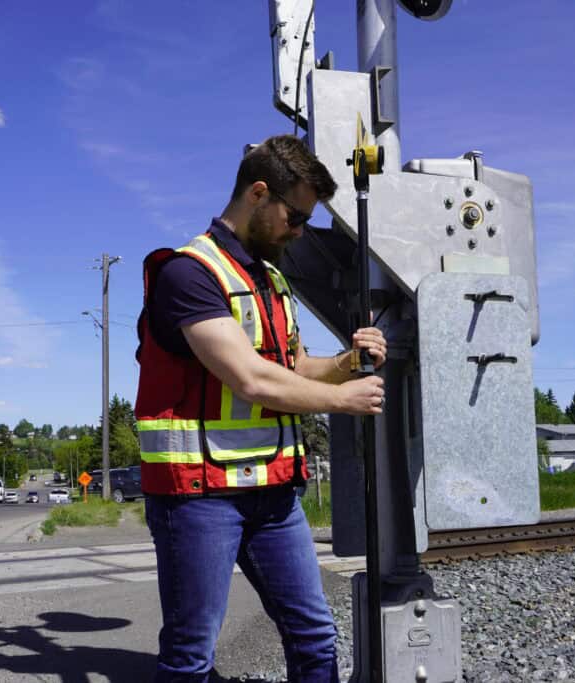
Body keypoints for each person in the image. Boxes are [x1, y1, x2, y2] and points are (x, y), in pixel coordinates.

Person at [135, 134, 387, 682]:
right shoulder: (188, 273)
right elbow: (249, 378)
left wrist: (347, 361)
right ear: (257, 194)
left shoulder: (269, 277)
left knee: (316, 638)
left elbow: (292, 368)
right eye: (295, 218)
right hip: (199, 498)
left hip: (272, 492)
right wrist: (342, 401)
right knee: (190, 654)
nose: (298, 233)